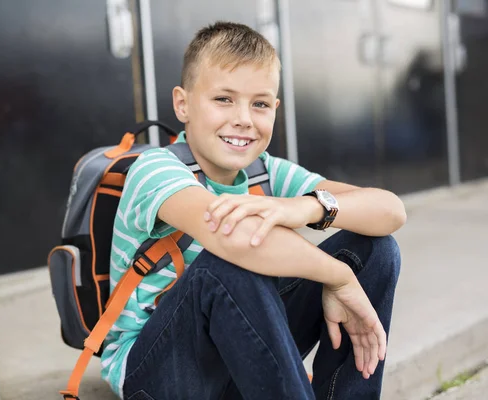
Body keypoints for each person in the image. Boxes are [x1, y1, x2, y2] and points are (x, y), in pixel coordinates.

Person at [100, 21, 406, 400]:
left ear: (274, 109)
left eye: (259, 103)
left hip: (238, 355)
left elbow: (391, 209)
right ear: (183, 104)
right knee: (228, 264)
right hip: (157, 373)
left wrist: (307, 207)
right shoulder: (155, 170)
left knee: (375, 249)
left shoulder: (266, 170)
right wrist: (336, 275)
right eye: (223, 99)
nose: (244, 118)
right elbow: (235, 238)